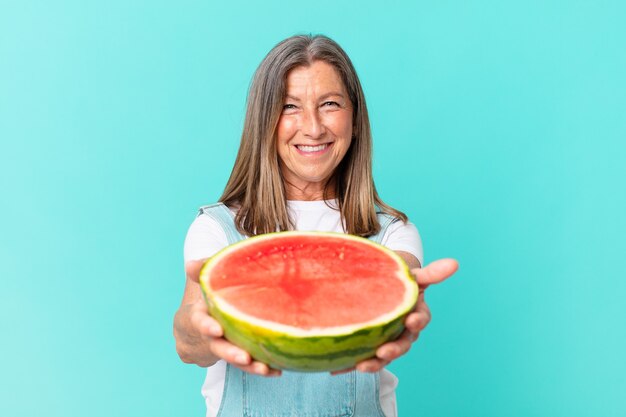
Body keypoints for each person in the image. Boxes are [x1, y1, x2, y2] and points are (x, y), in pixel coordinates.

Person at [174, 34, 458, 417]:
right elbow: (187, 342)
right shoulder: (217, 228)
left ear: (355, 120)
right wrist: (201, 328)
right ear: (264, 124)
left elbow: (400, 272)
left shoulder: (392, 232)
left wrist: (404, 295)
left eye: (329, 104)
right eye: (289, 106)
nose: (312, 127)